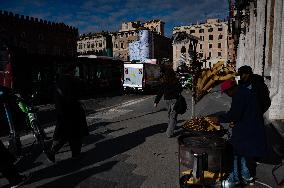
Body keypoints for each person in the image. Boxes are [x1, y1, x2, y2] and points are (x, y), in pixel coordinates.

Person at [208, 79, 267, 187]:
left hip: (247, 129)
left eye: (226, 92)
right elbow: (240, 112)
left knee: (235, 153)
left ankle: (234, 179)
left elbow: (234, 114)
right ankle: (246, 175)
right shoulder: (244, 91)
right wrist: (234, 120)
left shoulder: (239, 96)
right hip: (250, 125)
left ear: (231, 89)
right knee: (243, 153)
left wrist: (219, 118)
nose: (227, 95)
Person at [47, 64, 89, 162]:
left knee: (67, 134)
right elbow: (82, 91)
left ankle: (53, 151)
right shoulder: (73, 80)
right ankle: (75, 155)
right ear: (71, 71)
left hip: (62, 112)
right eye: (74, 71)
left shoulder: (58, 80)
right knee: (76, 135)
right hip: (73, 111)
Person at [154, 67, 183, 138]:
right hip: (174, 100)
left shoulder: (165, 81)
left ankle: (170, 127)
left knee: (170, 114)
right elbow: (180, 89)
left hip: (167, 100)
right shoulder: (175, 81)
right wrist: (175, 92)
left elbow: (160, 92)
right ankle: (169, 132)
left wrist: (156, 102)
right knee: (173, 116)